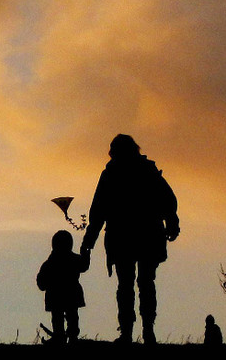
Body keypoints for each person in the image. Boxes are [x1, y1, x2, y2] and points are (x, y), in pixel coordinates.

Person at [81, 133, 179, 344]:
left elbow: (98, 211)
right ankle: (146, 331)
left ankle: (129, 332)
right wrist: (172, 223)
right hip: (146, 235)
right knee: (144, 283)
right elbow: (168, 200)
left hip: (124, 236)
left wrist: (89, 241)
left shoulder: (112, 174)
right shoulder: (147, 171)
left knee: (127, 285)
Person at [36, 229, 90, 344]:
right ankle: (71, 336)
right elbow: (84, 266)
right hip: (71, 293)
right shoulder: (73, 259)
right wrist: (86, 254)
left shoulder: (49, 263)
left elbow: (41, 283)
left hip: (55, 295)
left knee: (58, 317)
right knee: (72, 316)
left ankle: (60, 336)